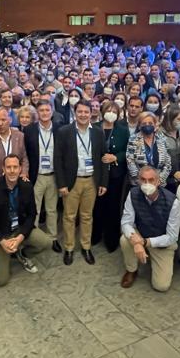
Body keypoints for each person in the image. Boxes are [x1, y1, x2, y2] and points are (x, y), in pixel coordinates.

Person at [0, 154, 52, 283]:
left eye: (15, 167)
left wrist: (20, 237)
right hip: (1, 234)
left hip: (19, 230)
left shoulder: (27, 186)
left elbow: (32, 215)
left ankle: (22, 253)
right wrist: (1, 241)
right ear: (3, 168)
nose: (12, 170)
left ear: (20, 169)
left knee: (46, 242)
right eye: (8, 167)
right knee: (1, 281)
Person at [56, 101, 107, 265]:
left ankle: (86, 247)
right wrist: (61, 184)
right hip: (72, 182)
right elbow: (58, 159)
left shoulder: (98, 133)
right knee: (69, 217)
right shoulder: (64, 131)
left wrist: (103, 182)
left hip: (91, 181)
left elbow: (103, 158)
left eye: (87, 112)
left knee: (87, 216)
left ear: (91, 113)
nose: (83, 115)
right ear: (75, 112)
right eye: (80, 112)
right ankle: (69, 248)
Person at [119, 165, 180, 291]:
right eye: (143, 180)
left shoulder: (172, 202)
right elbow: (126, 222)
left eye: (151, 180)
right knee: (125, 240)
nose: (147, 183)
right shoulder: (133, 194)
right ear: (138, 181)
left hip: (162, 241)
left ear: (158, 181)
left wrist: (145, 242)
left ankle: (154, 257)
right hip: (141, 234)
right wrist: (136, 241)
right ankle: (132, 269)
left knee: (161, 286)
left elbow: (172, 236)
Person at [93, 99, 129, 253]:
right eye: (108, 110)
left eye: (115, 112)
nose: (111, 114)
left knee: (112, 206)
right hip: (96, 174)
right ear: (102, 111)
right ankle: (95, 236)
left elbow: (128, 150)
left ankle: (111, 239)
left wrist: (116, 158)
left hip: (115, 174)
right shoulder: (93, 128)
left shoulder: (123, 129)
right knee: (96, 206)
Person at [23, 101, 61, 249]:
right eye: (41, 110)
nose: (44, 113)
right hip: (36, 175)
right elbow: (25, 154)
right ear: (37, 113)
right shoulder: (29, 130)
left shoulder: (60, 129)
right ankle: (35, 238)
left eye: (47, 110)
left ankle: (53, 238)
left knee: (52, 209)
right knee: (35, 209)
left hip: (53, 175)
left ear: (52, 111)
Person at [126, 112, 172, 185]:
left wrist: (159, 180)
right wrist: (141, 180)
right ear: (139, 126)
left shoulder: (162, 138)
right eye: (144, 124)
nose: (147, 125)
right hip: (139, 183)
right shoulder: (133, 139)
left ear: (155, 124)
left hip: (159, 183)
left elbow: (168, 163)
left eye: (150, 123)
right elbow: (130, 161)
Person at [160, 104, 180, 192]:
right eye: (179, 119)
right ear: (170, 120)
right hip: (166, 178)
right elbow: (160, 158)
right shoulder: (159, 134)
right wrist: (173, 173)